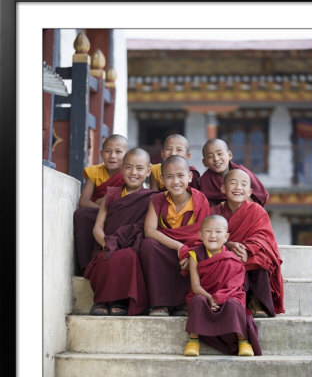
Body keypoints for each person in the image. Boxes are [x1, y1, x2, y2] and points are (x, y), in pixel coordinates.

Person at [83, 147, 156, 316]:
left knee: (128, 256)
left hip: (133, 246)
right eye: (129, 167)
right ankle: (101, 300)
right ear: (122, 169)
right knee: (106, 257)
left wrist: (121, 246)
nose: (133, 173)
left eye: (139, 168)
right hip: (107, 244)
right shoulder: (112, 194)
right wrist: (107, 244)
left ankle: (119, 301)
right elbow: (97, 228)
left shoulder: (152, 197)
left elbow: (146, 229)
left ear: (148, 171)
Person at [140, 155, 210, 317]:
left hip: (191, 251)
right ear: (162, 179)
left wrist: (190, 254)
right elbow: (149, 231)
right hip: (168, 250)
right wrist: (179, 246)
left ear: (190, 177)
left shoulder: (200, 200)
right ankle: (159, 304)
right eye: (170, 177)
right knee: (148, 246)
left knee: (202, 254)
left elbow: (204, 234)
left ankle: (183, 303)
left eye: (180, 176)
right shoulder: (157, 199)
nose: (176, 181)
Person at [183, 214, 262, 357]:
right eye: (207, 231)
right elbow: (195, 286)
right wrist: (210, 298)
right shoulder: (195, 255)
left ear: (226, 237)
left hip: (227, 298)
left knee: (235, 304)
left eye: (218, 232)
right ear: (200, 235)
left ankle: (242, 341)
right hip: (205, 297)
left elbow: (235, 287)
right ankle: (193, 340)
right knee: (197, 300)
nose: (212, 235)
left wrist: (219, 299)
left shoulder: (232, 258)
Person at [211, 168, 285, 317]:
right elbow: (207, 236)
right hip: (223, 252)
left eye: (243, 184)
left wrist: (246, 248)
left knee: (261, 258)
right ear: (223, 188)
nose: (238, 187)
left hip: (248, 252)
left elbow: (264, 237)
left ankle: (257, 300)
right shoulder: (214, 212)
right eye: (233, 183)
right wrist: (228, 245)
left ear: (249, 191)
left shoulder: (257, 211)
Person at [73, 134, 128, 272]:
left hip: (118, 213)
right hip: (96, 212)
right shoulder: (94, 172)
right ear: (101, 154)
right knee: (81, 215)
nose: (112, 156)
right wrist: (102, 205)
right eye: (108, 151)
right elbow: (84, 201)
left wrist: (108, 204)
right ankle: (85, 265)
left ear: (127, 155)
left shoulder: (129, 173)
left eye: (118, 152)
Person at [199, 138, 269, 207]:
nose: (216, 159)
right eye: (210, 156)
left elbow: (259, 197)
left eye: (219, 154)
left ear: (229, 155)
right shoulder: (204, 182)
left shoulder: (242, 173)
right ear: (204, 162)